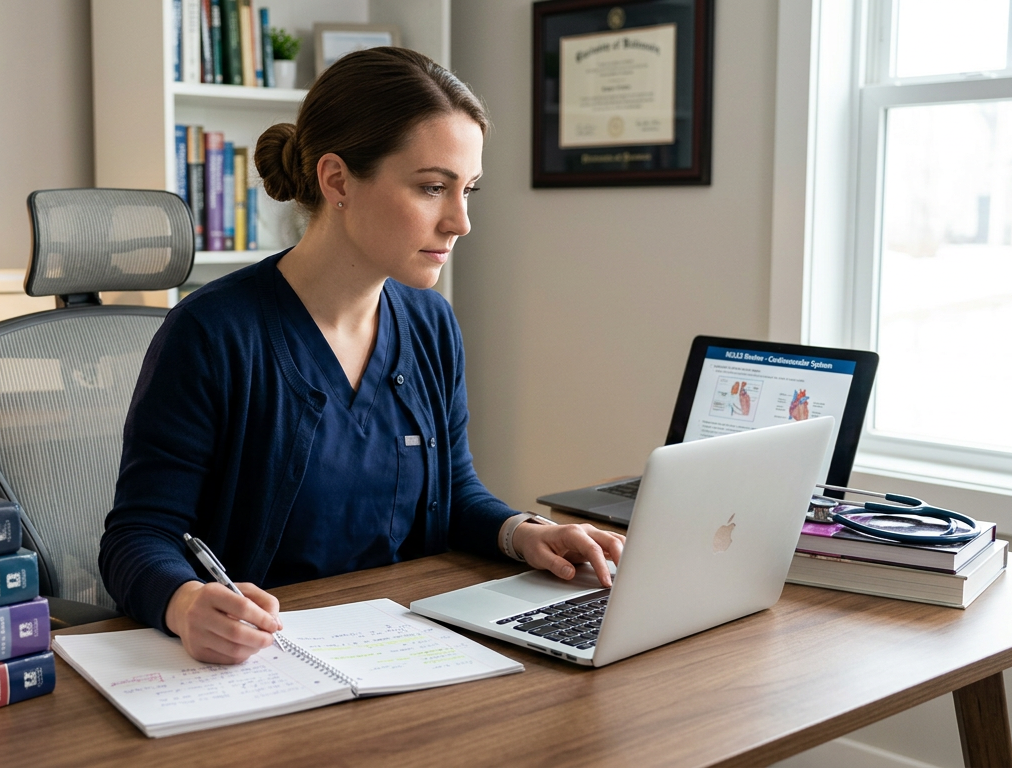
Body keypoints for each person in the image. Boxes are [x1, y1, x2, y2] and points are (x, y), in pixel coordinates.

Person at [99, 47, 625, 665]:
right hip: (267, 663)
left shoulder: (431, 323)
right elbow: (138, 536)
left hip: (408, 648)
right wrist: (185, 603)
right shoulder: (213, 332)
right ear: (337, 180)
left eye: (468, 190)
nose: (461, 221)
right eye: (433, 188)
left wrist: (526, 534)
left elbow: (453, 492)